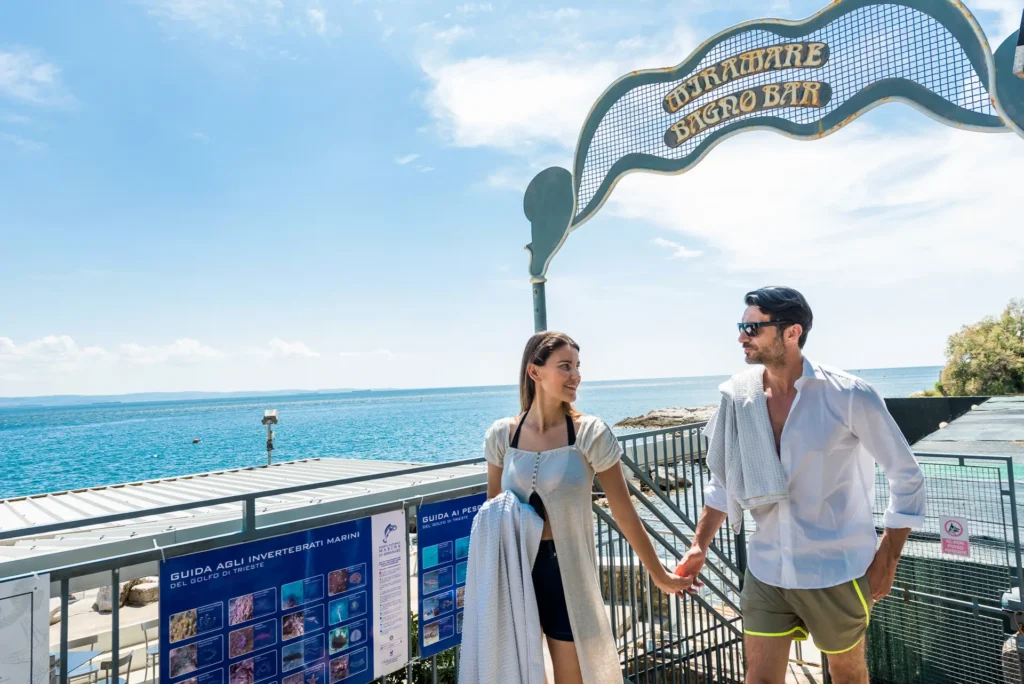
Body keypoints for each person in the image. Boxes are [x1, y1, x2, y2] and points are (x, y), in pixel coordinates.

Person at [673, 287, 926, 684]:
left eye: (752, 327)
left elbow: (906, 475)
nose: (741, 336)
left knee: (846, 673)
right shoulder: (740, 398)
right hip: (766, 568)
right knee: (758, 677)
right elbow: (725, 480)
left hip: (836, 570)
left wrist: (887, 558)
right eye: (741, 327)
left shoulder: (848, 395)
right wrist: (698, 545)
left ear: (792, 332)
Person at [485, 331, 691, 684]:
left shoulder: (590, 433)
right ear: (535, 372)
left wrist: (659, 574)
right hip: (515, 573)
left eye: (578, 366)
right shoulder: (502, 435)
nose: (576, 375)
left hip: (567, 575)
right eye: (565, 366)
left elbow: (624, 513)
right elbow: (492, 515)